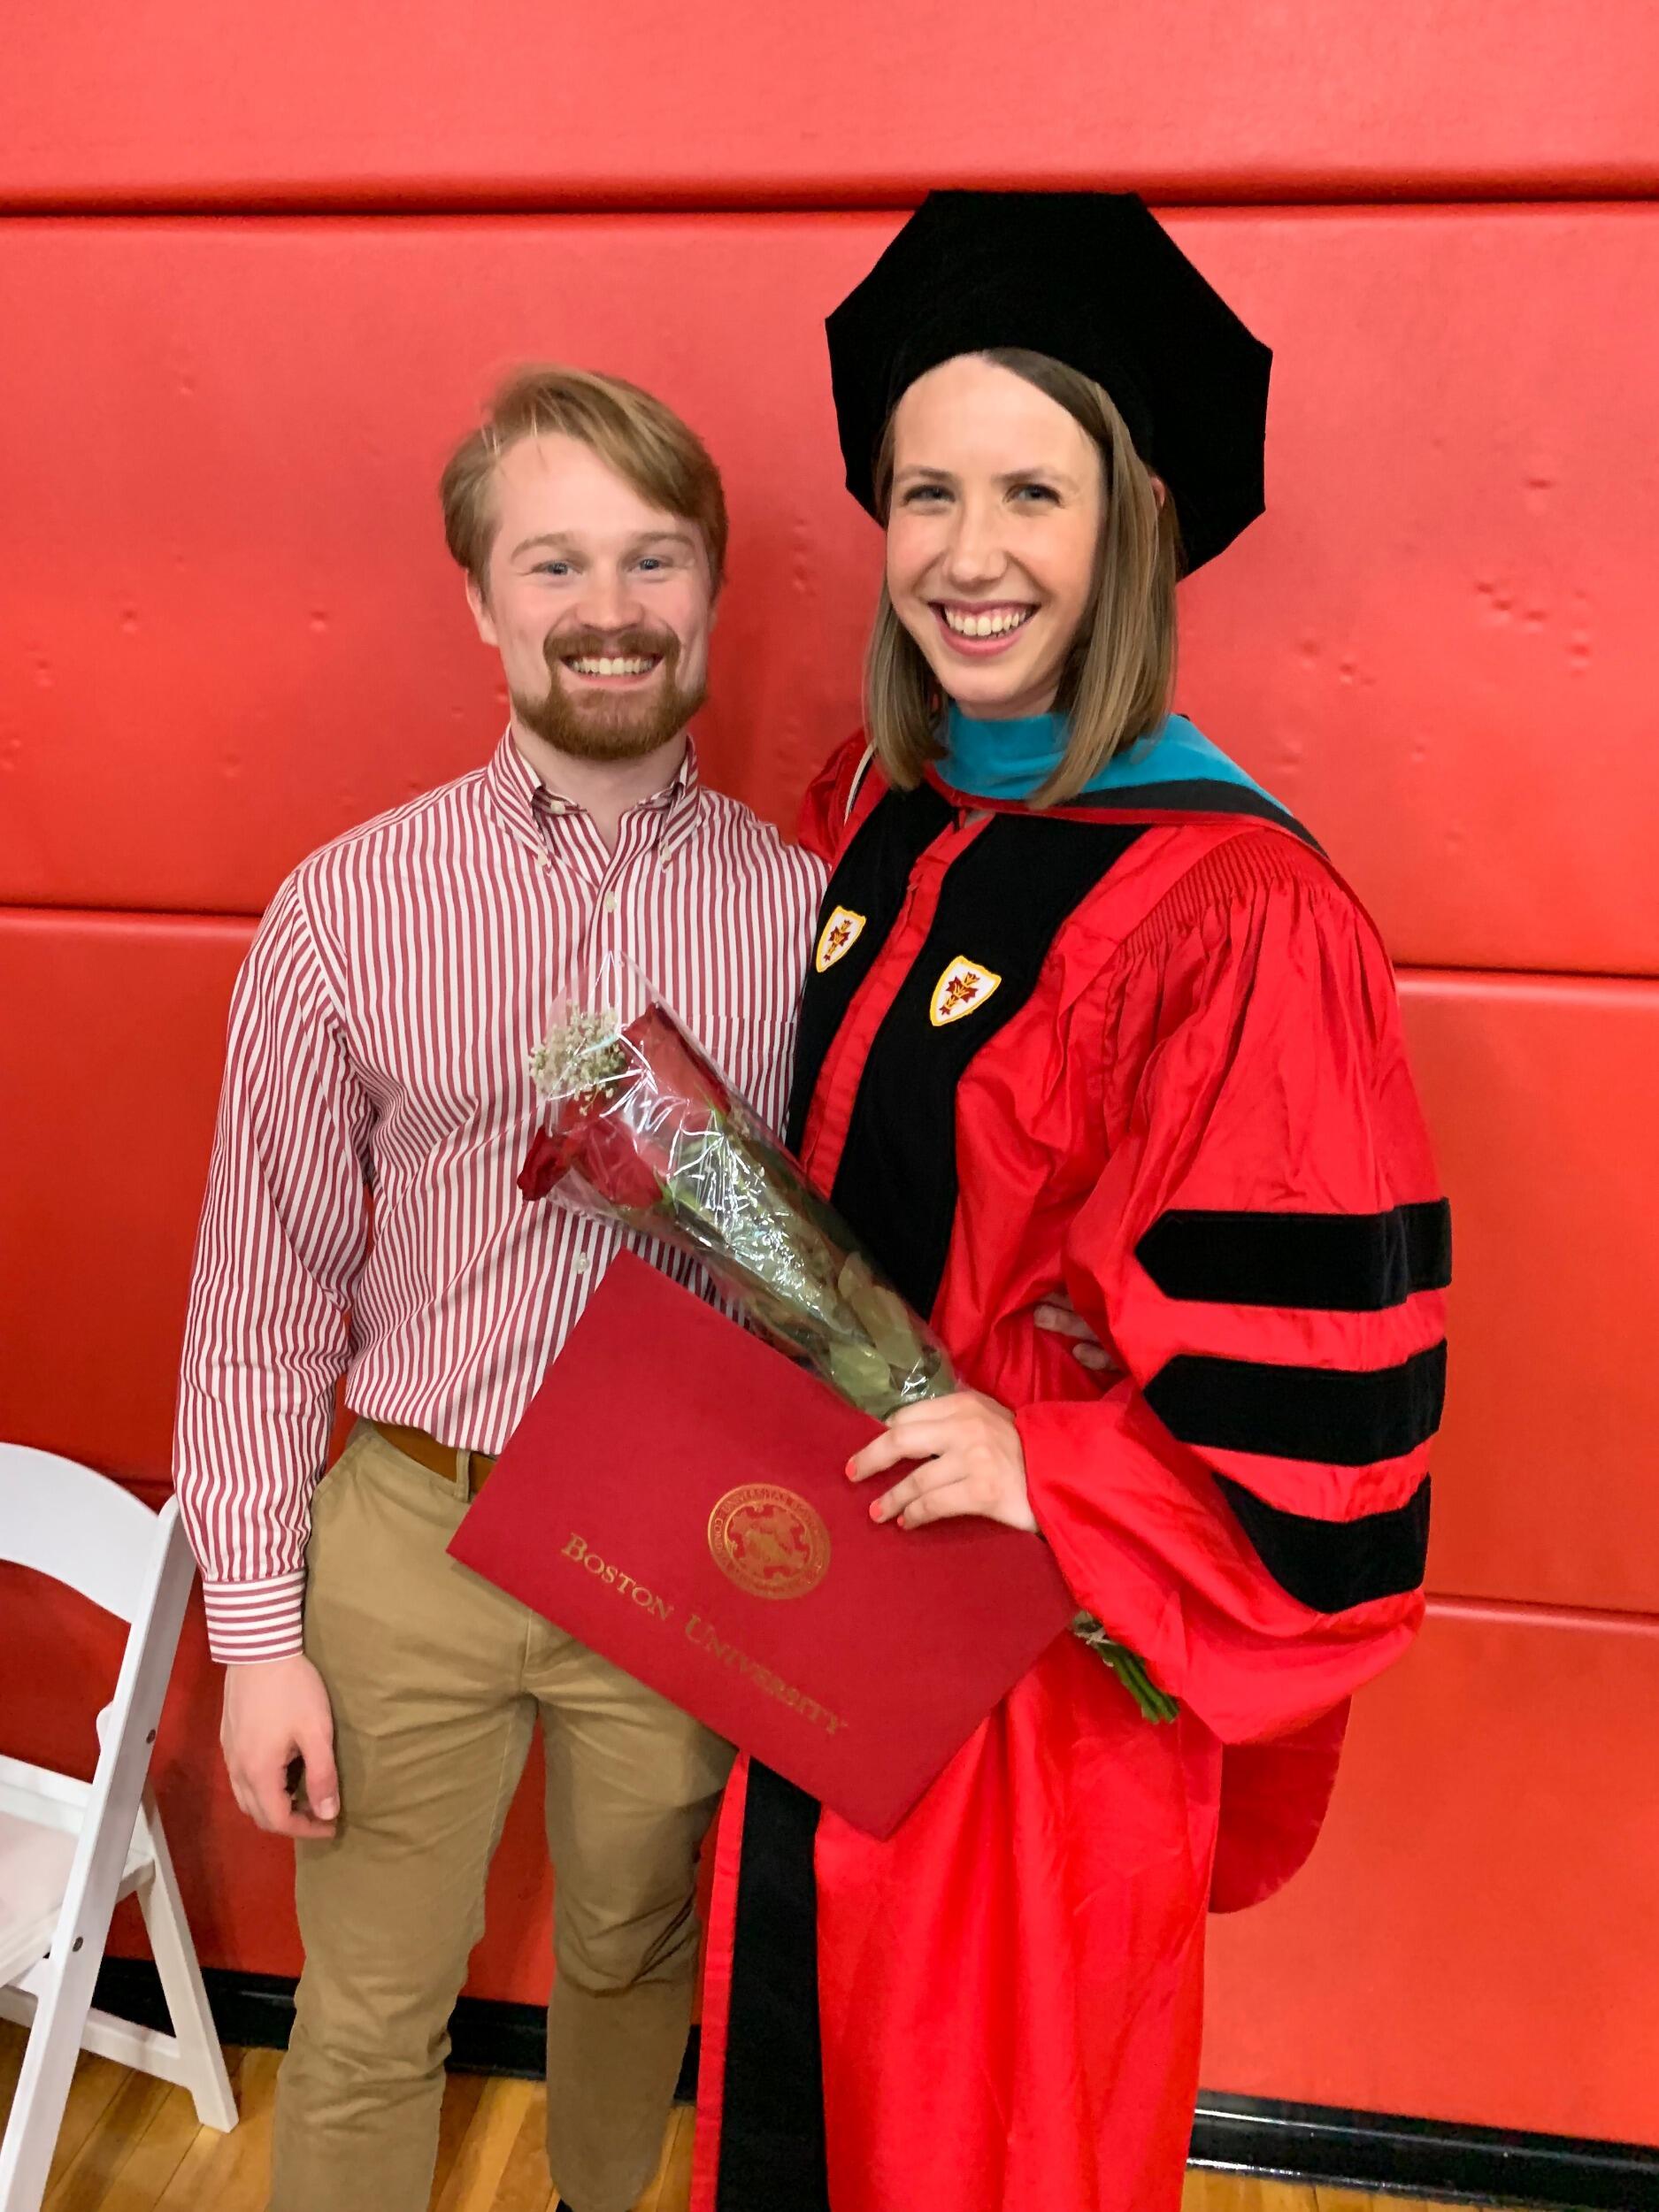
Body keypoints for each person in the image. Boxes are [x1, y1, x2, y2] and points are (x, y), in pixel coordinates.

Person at [691, 192, 1449, 2212]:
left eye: (1032, 491)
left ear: (1137, 525)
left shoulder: (1240, 914)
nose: (968, 552)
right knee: (790, 2091)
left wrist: (1047, 1461)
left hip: (1032, 1676)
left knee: (980, 2135)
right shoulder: (879, 806)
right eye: (926, 492)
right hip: (825, 1586)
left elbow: (1324, 1416)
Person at [172, 365, 827, 2212]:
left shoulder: (808, 917)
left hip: (677, 1550)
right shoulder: (346, 908)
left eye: (653, 558)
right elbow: (259, 1299)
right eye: (555, 562)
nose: (609, 607)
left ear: (710, 590)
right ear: (479, 598)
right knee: (372, 2008)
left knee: (636, 1955)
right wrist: (258, 1636)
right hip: (413, 1534)